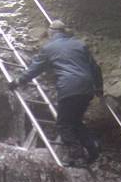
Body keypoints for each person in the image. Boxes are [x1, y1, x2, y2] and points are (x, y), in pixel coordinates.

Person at [8, 20, 103, 166]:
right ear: (64, 32)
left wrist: (18, 81)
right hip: (87, 88)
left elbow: (35, 69)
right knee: (75, 121)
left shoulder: (49, 48)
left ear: (51, 32)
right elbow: (95, 68)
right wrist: (99, 89)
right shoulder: (79, 44)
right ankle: (92, 146)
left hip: (69, 87)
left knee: (63, 124)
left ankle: (77, 155)